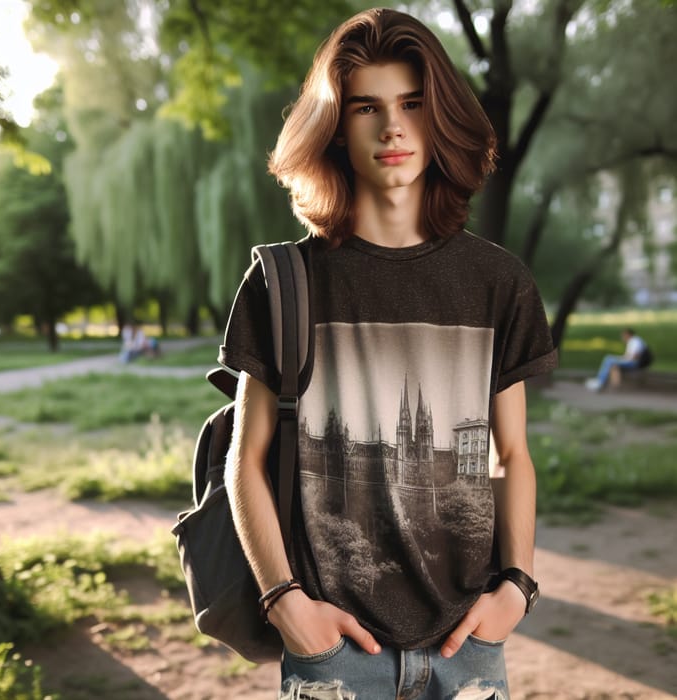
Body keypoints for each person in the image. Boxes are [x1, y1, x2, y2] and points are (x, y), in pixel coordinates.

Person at [221, 9, 557, 699]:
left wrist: (516, 589)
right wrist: (285, 600)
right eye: (365, 107)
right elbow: (245, 458)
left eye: (412, 104)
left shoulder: (498, 282)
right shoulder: (286, 281)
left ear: (439, 120)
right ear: (337, 130)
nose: (392, 127)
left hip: (469, 644)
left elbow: (510, 453)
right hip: (336, 650)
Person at [585, 328, 652, 391]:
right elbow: (629, 356)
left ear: (628, 334)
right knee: (613, 365)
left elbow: (634, 357)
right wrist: (621, 358)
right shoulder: (632, 341)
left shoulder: (635, 341)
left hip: (636, 363)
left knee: (609, 359)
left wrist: (622, 359)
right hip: (633, 361)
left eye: (623, 335)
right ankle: (609, 384)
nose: (622, 337)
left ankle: (599, 382)